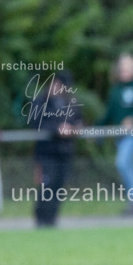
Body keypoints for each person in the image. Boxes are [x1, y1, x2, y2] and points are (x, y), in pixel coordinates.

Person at [98, 53, 133, 215]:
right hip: (119, 135)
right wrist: (95, 127)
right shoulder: (116, 90)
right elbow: (109, 113)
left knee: (122, 162)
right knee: (128, 166)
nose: (124, 70)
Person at [30, 70, 82, 228]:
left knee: (59, 187)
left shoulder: (71, 103)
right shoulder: (41, 102)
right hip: (46, 153)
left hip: (64, 153)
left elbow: (78, 120)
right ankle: (41, 220)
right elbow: (35, 123)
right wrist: (57, 129)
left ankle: (52, 221)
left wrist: (75, 128)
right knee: (47, 187)